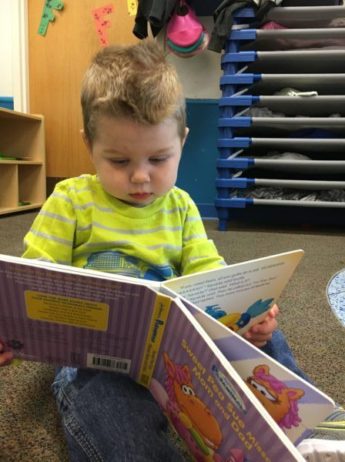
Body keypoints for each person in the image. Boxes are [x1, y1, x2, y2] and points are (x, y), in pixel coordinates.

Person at [0, 40, 344, 461]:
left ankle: (310, 433)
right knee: (101, 402)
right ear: (88, 144)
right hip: (98, 357)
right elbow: (33, 279)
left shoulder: (181, 206)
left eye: (159, 158)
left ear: (182, 141)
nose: (141, 177)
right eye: (120, 161)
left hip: (180, 355)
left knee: (265, 336)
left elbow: (210, 274)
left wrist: (246, 319)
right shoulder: (70, 200)